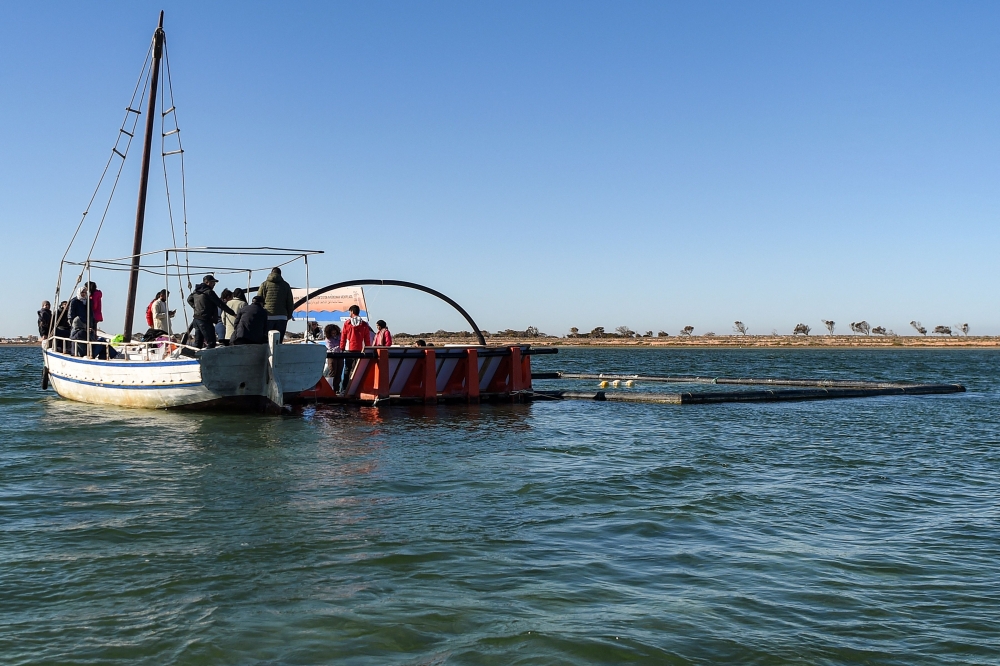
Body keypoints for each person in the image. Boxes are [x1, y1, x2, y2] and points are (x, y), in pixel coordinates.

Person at [186, 275, 235, 349]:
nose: (214, 284)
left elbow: (189, 300)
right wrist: (233, 313)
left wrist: (196, 307)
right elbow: (220, 304)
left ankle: (195, 358)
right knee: (211, 342)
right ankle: (209, 359)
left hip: (196, 320)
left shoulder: (196, 291)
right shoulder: (209, 292)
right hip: (205, 320)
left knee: (198, 344)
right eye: (212, 282)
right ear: (207, 282)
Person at [339, 305, 373, 392]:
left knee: (347, 369)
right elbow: (367, 338)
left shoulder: (347, 323)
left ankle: (344, 388)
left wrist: (341, 347)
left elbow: (343, 337)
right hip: (360, 350)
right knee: (356, 370)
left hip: (348, 349)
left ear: (351, 312)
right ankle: (355, 388)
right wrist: (368, 348)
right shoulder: (364, 324)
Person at [257, 267, 294, 342]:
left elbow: (258, 300)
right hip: (282, 317)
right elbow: (290, 303)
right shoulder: (286, 285)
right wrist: (288, 316)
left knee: (266, 341)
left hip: (268, 316)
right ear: (280, 275)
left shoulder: (264, 285)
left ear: (271, 273)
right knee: (278, 342)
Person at [323, 323, 343, 392]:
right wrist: (340, 347)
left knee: (339, 372)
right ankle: (330, 389)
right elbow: (330, 348)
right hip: (332, 356)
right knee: (332, 372)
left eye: (335, 333)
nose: (334, 334)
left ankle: (337, 389)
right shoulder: (328, 339)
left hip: (340, 356)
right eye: (332, 333)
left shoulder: (340, 337)